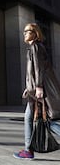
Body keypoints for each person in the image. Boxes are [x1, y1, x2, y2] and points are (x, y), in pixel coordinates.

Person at [13, 23, 60, 160]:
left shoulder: (36, 47)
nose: (24, 34)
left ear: (34, 32)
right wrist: (29, 88)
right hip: (35, 90)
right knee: (33, 117)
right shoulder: (35, 48)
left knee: (43, 119)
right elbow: (33, 72)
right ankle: (28, 150)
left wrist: (38, 87)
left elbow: (39, 69)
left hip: (39, 91)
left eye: (26, 31)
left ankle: (28, 150)